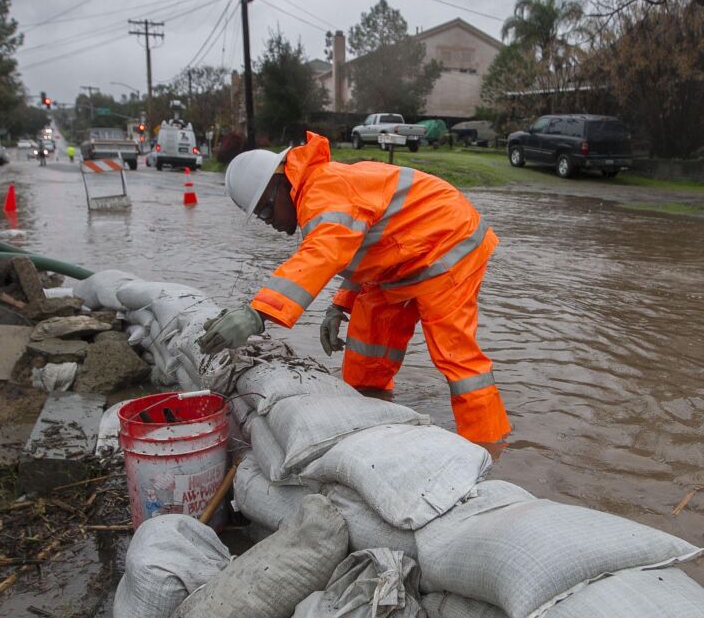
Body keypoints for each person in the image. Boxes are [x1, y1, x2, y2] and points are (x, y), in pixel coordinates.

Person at [198, 131, 510, 444]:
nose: (271, 223)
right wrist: (341, 304)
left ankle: (487, 443)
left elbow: (322, 254)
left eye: (266, 211)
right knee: (364, 355)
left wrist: (257, 313)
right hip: (399, 259)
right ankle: (373, 427)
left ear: (281, 183)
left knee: (457, 358)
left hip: (446, 246)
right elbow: (363, 245)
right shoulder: (319, 192)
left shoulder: (321, 191)